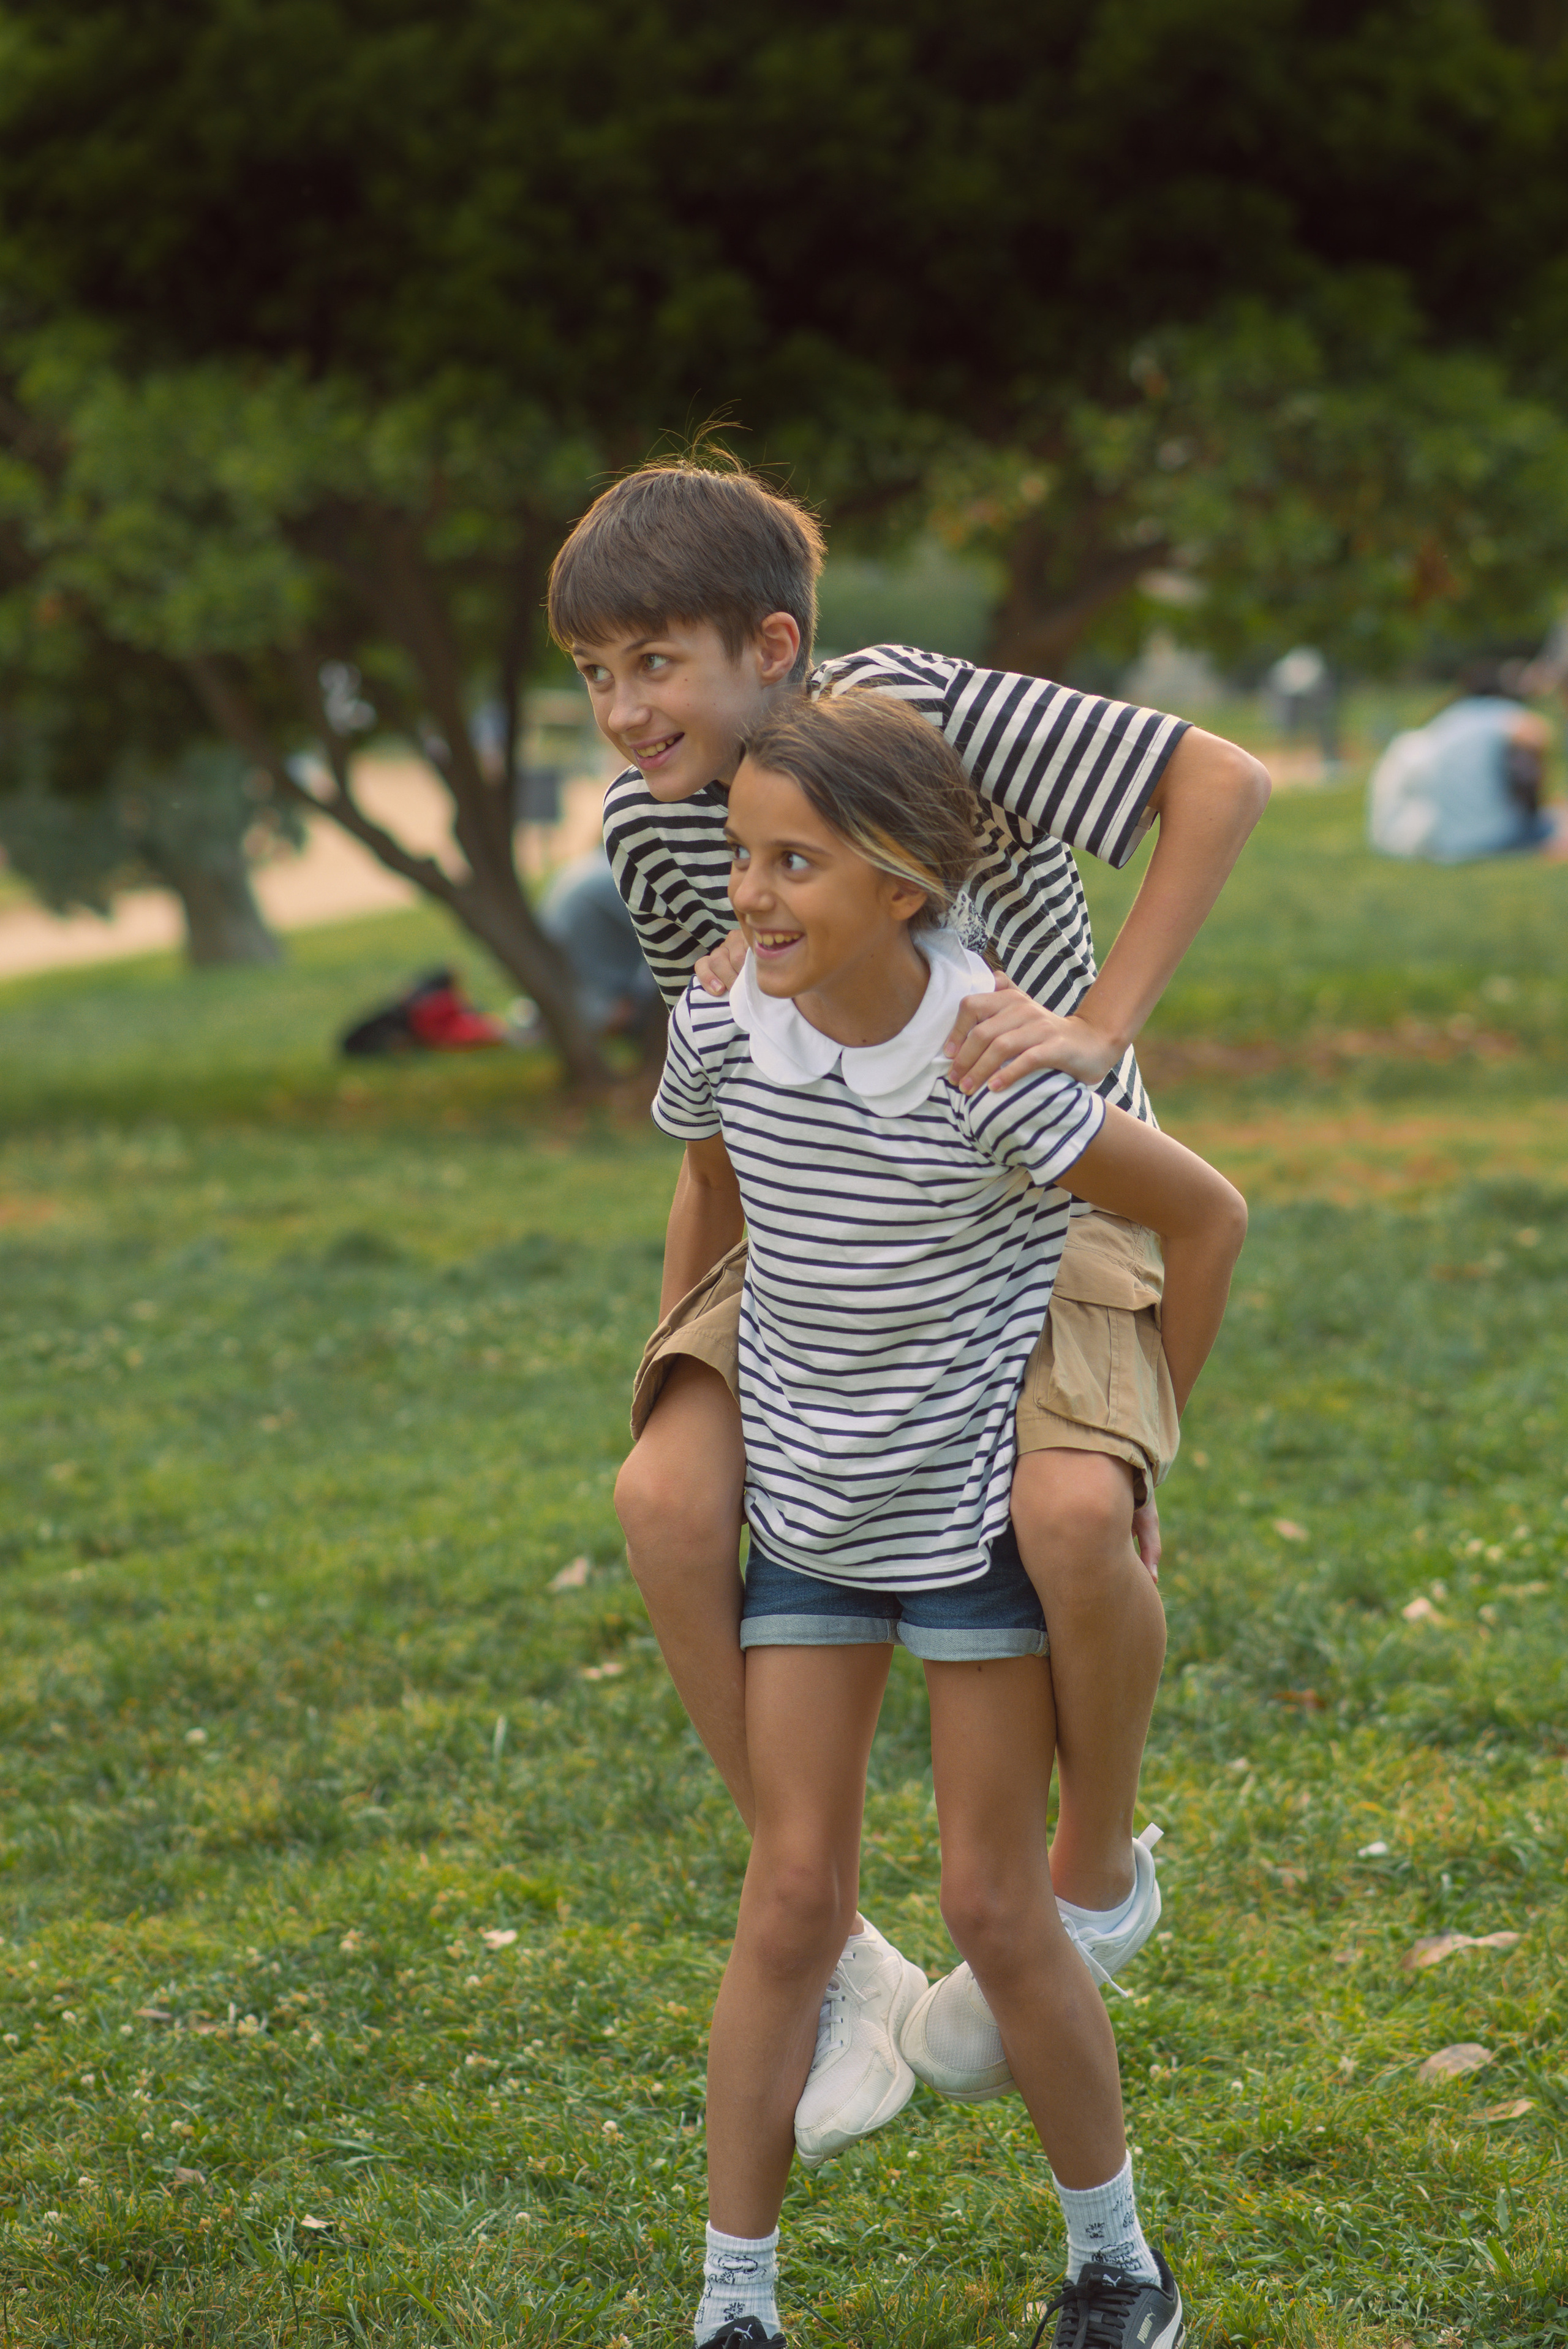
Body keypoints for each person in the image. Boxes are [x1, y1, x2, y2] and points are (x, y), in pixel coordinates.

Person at [545, 456, 1269, 2152]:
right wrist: (677, 1357)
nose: (621, 707)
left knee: (1077, 1514)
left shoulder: (922, 708)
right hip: (826, 1213)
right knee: (661, 1496)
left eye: (655, 662)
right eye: (594, 673)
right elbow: (724, 1119)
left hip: (1045, 1183)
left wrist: (1098, 1022)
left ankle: (1093, 1874)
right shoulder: (658, 833)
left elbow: (1217, 784)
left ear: (773, 645)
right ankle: (837, 1939)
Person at [654, 692, 1244, 2348]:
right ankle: (735, 2307)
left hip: (970, 1533)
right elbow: (711, 1193)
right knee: (789, 1897)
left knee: (995, 1904)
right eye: (741, 857)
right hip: (812, 1526)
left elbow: (1207, 1216)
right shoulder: (721, 1023)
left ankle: (1118, 2266)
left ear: (907, 884)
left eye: (796, 864)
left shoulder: (991, 1059)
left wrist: (1141, 1447)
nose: (754, 897)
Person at [1368, 658, 1568, 864]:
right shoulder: (1496, 711)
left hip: (1449, 842)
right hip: (1494, 836)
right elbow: (1539, 733)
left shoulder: (1448, 719)